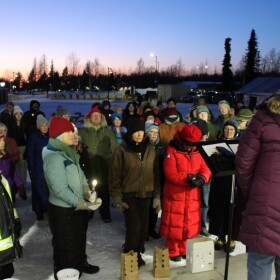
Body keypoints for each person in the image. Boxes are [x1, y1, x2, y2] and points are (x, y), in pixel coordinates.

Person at [42, 117, 102, 279]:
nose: (73, 134)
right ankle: (65, 273)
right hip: (63, 211)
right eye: (70, 131)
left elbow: (80, 174)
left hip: (74, 207)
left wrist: (87, 191)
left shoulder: (68, 151)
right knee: (65, 245)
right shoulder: (54, 156)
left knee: (78, 240)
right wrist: (80, 203)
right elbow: (59, 189)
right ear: (60, 135)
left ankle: (78, 266)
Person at [235, 95, 280, 280]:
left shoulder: (262, 120)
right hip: (265, 202)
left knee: (260, 261)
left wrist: (251, 196)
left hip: (264, 204)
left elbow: (243, 165)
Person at [109, 118, 161, 268]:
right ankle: (132, 254)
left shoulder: (150, 149)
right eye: (135, 132)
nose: (138, 134)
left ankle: (137, 248)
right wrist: (117, 198)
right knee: (134, 226)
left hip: (146, 195)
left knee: (143, 227)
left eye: (140, 131)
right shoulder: (121, 150)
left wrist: (157, 196)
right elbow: (114, 177)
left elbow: (156, 174)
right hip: (129, 195)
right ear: (130, 133)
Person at [160, 124, 211, 261]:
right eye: (188, 144)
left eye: (192, 144)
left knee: (187, 222)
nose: (190, 146)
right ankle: (172, 250)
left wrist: (202, 179)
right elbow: (170, 173)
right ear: (182, 140)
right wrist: (187, 179)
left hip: (192, 194)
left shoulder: (197, 151)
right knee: (175, 221)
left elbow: (206, 169)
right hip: (175, 194)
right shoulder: (172, 150)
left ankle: (182, 248)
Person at [79, 107, 118, 222]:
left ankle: (105, 213)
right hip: (88, 167)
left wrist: (110, 160)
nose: (96, 117)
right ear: (89, 117)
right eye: (94, 115)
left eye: (99, 116)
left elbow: (114, 147)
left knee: (104, 191)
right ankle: (88, 212)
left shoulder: (108, 131)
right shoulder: (83, 132)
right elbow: (77, 147)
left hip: (103, 166)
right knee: (88, 190)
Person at [208, 120, 239, 252]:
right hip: (219, 182)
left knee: (232, 211)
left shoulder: (241, 144)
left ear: (236, 131)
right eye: (226, 129)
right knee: (219, 211)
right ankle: (220, 237)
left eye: (231, 129)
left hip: (235, 183)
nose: (229, 131)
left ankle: (232, 238)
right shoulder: (216, 144)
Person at [145, 121, 165, 240]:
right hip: (146, 180)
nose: (154, 134)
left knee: (155, 207)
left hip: (157, 180)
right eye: (151, 132)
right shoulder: (143, 145)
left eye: (156, 132)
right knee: (145, 208)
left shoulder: (161, 146)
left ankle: (151, 229)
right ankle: (144, 231)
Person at [27, 114, 50, 220]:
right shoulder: (33, 137)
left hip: (49, 168)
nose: (45, 127)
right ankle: (39, 211)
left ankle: (46, 209)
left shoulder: (49, 137)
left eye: (46, 125)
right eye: (42, 125)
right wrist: (31, 169)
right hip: (38, 167)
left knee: (47, 189)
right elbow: (30, 154)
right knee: (39, 190)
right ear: (38, 126)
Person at [0, 173, 23, 279]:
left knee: (8, 273)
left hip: (6, 246)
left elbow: (9, 206)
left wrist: (16, 223)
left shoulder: (2, 179)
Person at [11, 105, 28, 189]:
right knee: (15, 168)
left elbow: (27, 138)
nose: (18, 116)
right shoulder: (11, 126)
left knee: (23, 168)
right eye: (16, 114)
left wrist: (25, 152)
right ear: (14, 115)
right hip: (14, 149)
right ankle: (17, 186)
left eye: (20, 114)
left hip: (23, 148)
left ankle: (23, 186)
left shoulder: (25, 125)